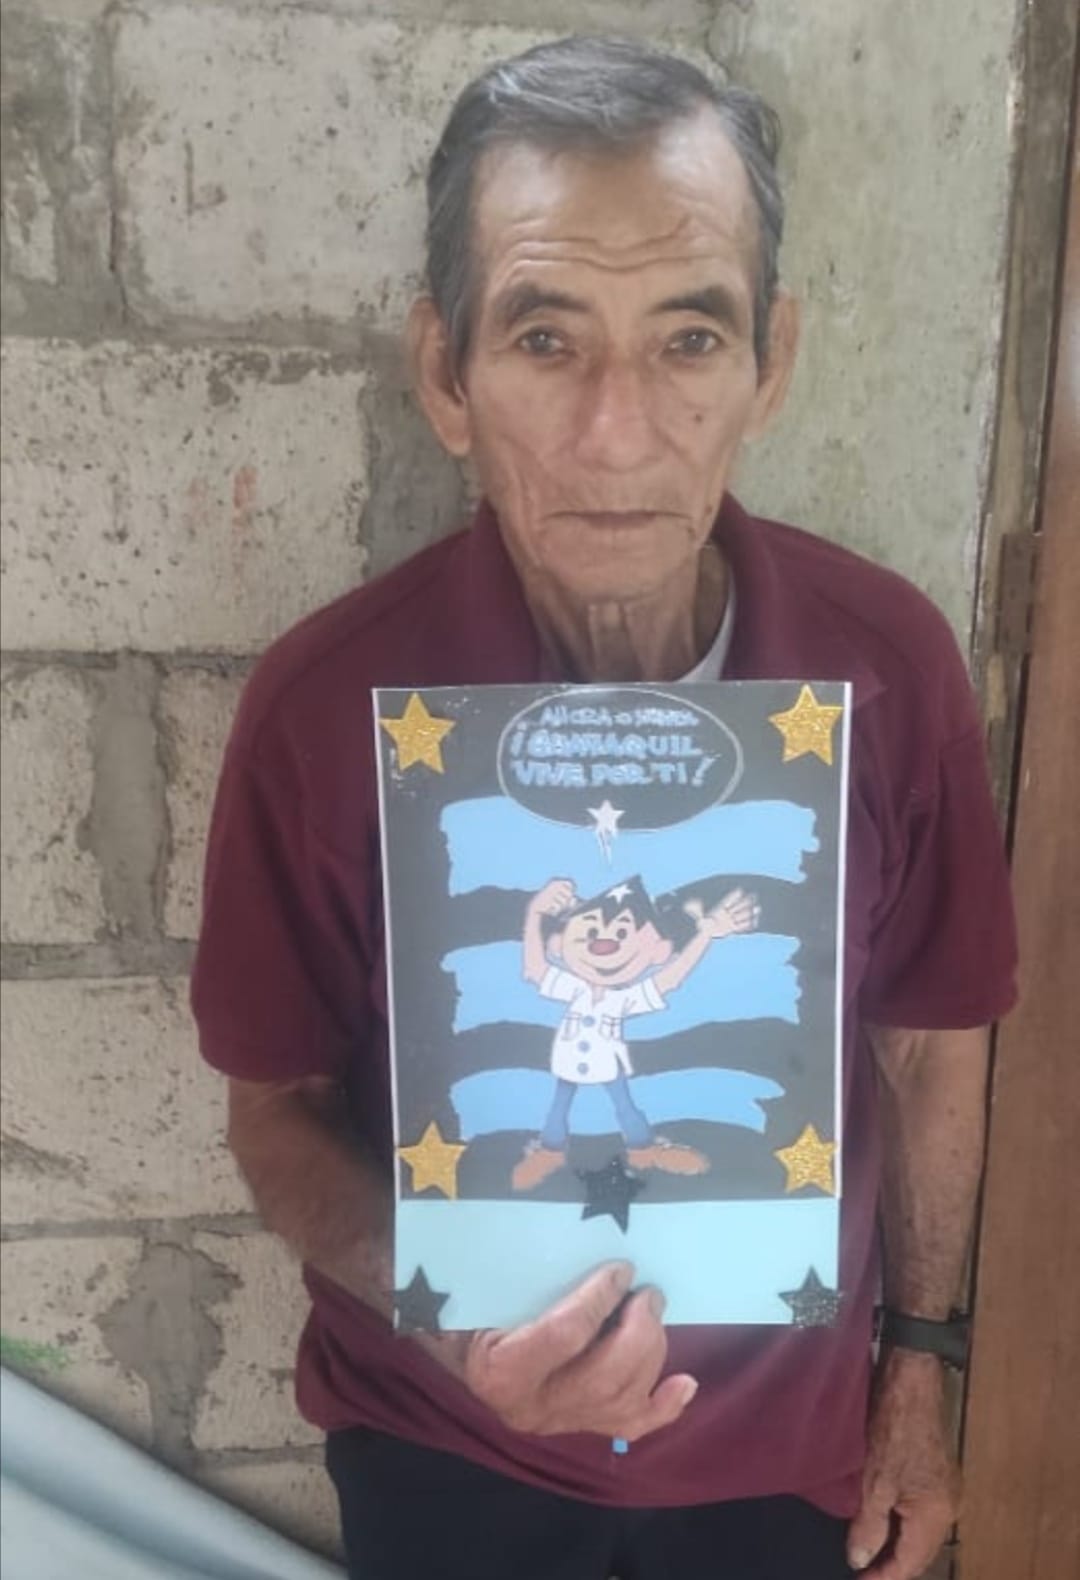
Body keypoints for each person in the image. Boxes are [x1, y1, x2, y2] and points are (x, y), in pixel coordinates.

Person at [192, 36, 1017, 1580]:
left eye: (689, 339)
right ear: (446, 377)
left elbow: (928, 1047)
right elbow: (273, 1112)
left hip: (787, 1461)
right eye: (546, 339)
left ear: (771, 363)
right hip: (448, 1451)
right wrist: (452, 1314)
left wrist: (921, 1371)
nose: (618, 433)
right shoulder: (323, 709)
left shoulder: (888, 669)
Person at [514, 875, 758, 1188]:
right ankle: (550, 1152)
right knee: (559, 1106)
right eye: (591, 931)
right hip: (567, 1058)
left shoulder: (623, 999)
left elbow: (669, 979)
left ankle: (643, 1150)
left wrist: (705, 935)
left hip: (608, 1061)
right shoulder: (571, 988)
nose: (604, 943)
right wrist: (535, 913)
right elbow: (536, 967)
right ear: (559, 944)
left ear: (657, 951)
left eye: (621, 932)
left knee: (624, 1105)